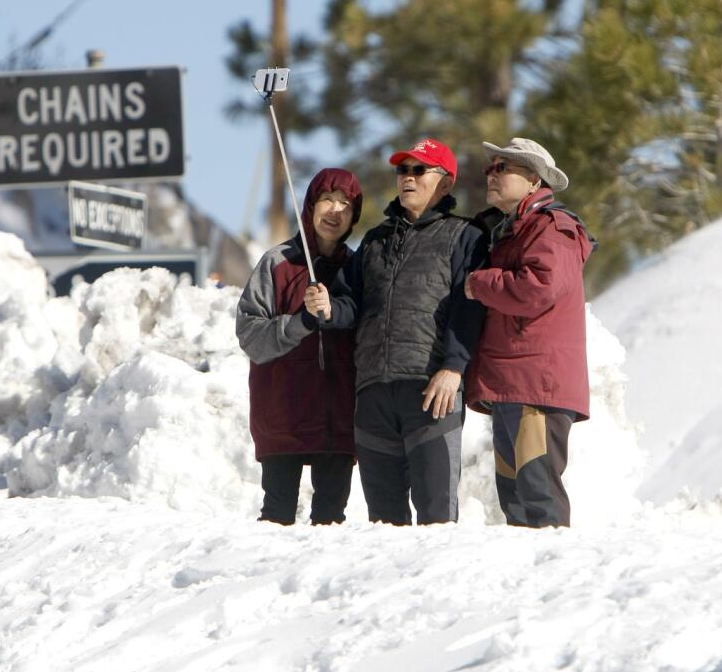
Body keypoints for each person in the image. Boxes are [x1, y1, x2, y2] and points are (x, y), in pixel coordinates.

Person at [305, 138, 486, 525]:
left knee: (436, 518)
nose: (407, 178)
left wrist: (454, 367)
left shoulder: (465, 237)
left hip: (430, 390)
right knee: (383, 524)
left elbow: (469, 308)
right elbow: (351, 303)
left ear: (445, 183)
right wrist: (329, 308)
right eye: (402, 170)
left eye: (419, 170)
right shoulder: (374, 240)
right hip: (373, 394)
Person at [464, 138, 593, 528]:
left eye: (503, 168)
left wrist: (480, 283)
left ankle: (557, 579)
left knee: (539, 496)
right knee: (515, 500)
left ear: (534, 179)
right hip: (512, 383)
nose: (492, 174)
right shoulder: (513, 230)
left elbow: (539, 287)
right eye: (491, 168)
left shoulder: (553, 227)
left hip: (536, 383)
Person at [236, 168, 364, 525]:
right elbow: (250, 335)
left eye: (345, 205)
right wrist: (302, 322)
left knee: (330, 519)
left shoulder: (358, 269)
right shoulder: (276, 263)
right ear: (309, 205)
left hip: (337, 420)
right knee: (276, 516)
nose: (335, 211)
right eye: (327, 200)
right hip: (283, 415)